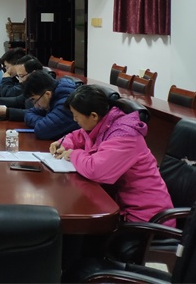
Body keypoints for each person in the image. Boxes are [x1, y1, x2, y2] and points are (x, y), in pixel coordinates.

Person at [51, 85, 174, 224]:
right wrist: (64, 144)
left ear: (93, 116)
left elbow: (96, 170)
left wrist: (74, 154)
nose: (74, 120)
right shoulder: (105, 123)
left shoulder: (125, 136)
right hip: (122, 206)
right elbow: (79, 135)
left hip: (145, 217)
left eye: (76, 116)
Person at [22, 70, 79, 140]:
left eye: (34, 100)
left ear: (47, 94)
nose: (36, 105)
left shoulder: (66, 103)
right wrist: (44, 121)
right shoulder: (52, 96)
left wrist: (45, 122)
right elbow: (29, 113)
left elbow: (42, 130)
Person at [0, 56, 43, 121]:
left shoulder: (43, 89)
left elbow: (35, 114)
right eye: (18, 76)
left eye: (21, 76)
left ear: (33, 73)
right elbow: (18, 101)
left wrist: (7, 112)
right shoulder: (31, 87)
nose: (20, 81)